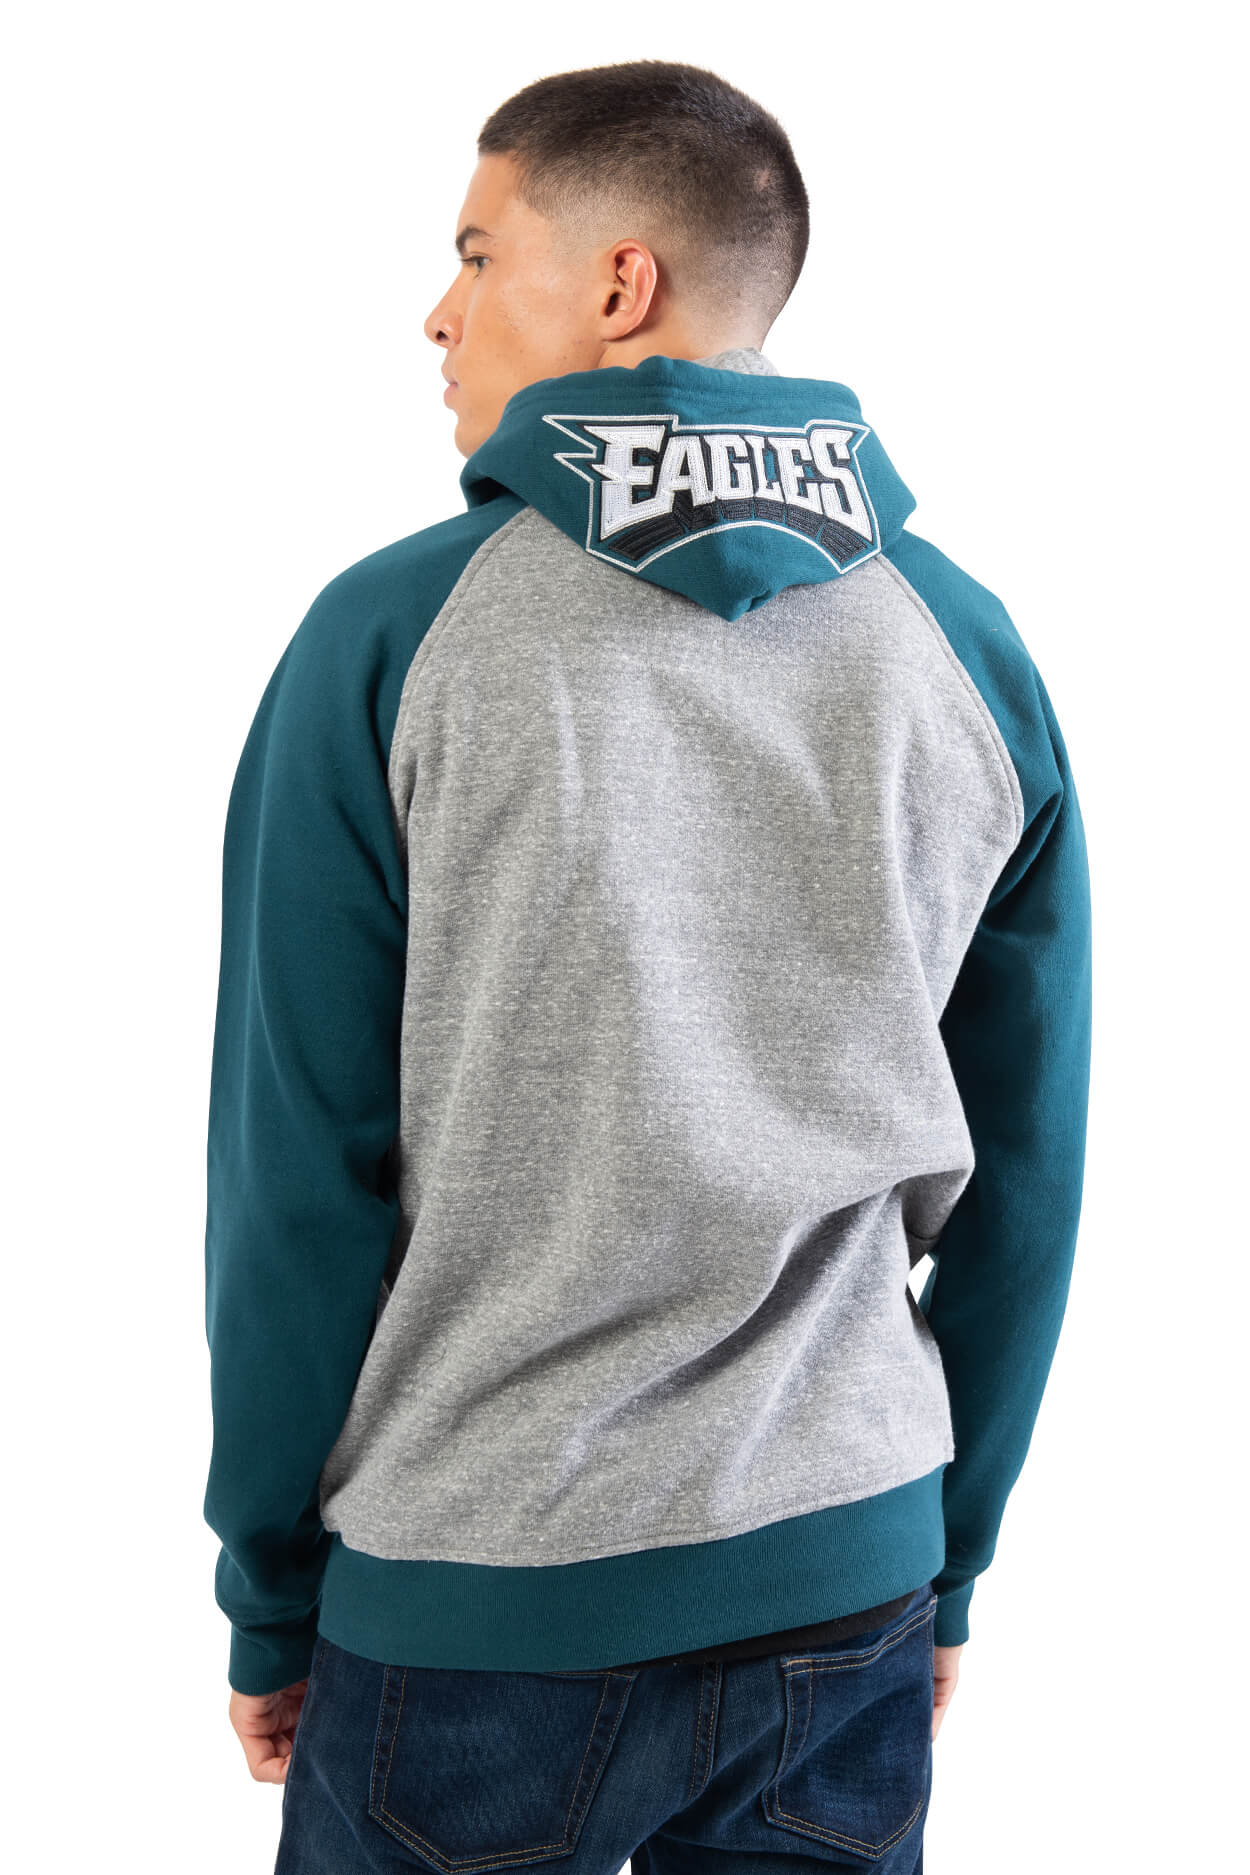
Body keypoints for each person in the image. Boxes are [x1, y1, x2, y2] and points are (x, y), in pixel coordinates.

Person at [202, 58, 1092, 1875]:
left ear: (619, 285)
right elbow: (1027, 1170)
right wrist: (945, 1562)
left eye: (476, 253)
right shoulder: (963, 646)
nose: (437, 311)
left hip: (472, 1600)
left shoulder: (394, 637)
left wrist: (270, 1592)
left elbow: (296, 1181)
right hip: (843, 1576)